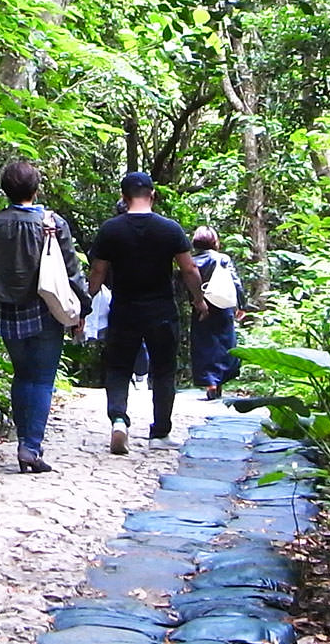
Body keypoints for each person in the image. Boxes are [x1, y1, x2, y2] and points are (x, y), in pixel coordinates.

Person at [0, 159, 91, 473]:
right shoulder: (53, 222)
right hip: (46, 309)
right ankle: (30, 447)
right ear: (35, 188)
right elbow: (71, 272)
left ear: (5, 188)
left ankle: (25, 440)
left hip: (8, 310)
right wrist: (81, 309)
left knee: (22, 375)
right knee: (41, 379)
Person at [86, 170, 205, 454]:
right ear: (152, 194)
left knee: (118, 367)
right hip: (161, 309)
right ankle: (160, 433)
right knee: (164, 370)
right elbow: (189, 269)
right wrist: (199, 299)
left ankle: (118, 419)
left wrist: (83, 303)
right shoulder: (170, 229)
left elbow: (97, 272)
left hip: (124, 308)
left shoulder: (111, 230)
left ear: (124, 198)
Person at [189, 226, 244, 400]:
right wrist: (241, 305)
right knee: (225, 344)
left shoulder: (191, 261)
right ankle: (219, 380)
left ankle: (210, 382)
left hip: (200, 306)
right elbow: (235, 283)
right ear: (214, 241)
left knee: (203, 344)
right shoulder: (223, 259)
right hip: (223, 305)